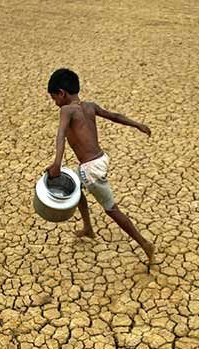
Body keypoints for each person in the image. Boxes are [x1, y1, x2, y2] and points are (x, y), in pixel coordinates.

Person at [45, 68, 156, 267]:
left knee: (111, 209)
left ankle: (144, 244)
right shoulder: (89, 106)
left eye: (54, 98)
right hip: (100, 159)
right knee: (76, 189)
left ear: (61, 93)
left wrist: (57, 163)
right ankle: (88, 227)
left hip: (91, 168)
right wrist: (137, 124)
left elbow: (60, 134)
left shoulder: (67, 110)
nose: (55, 103)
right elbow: (114, 116)